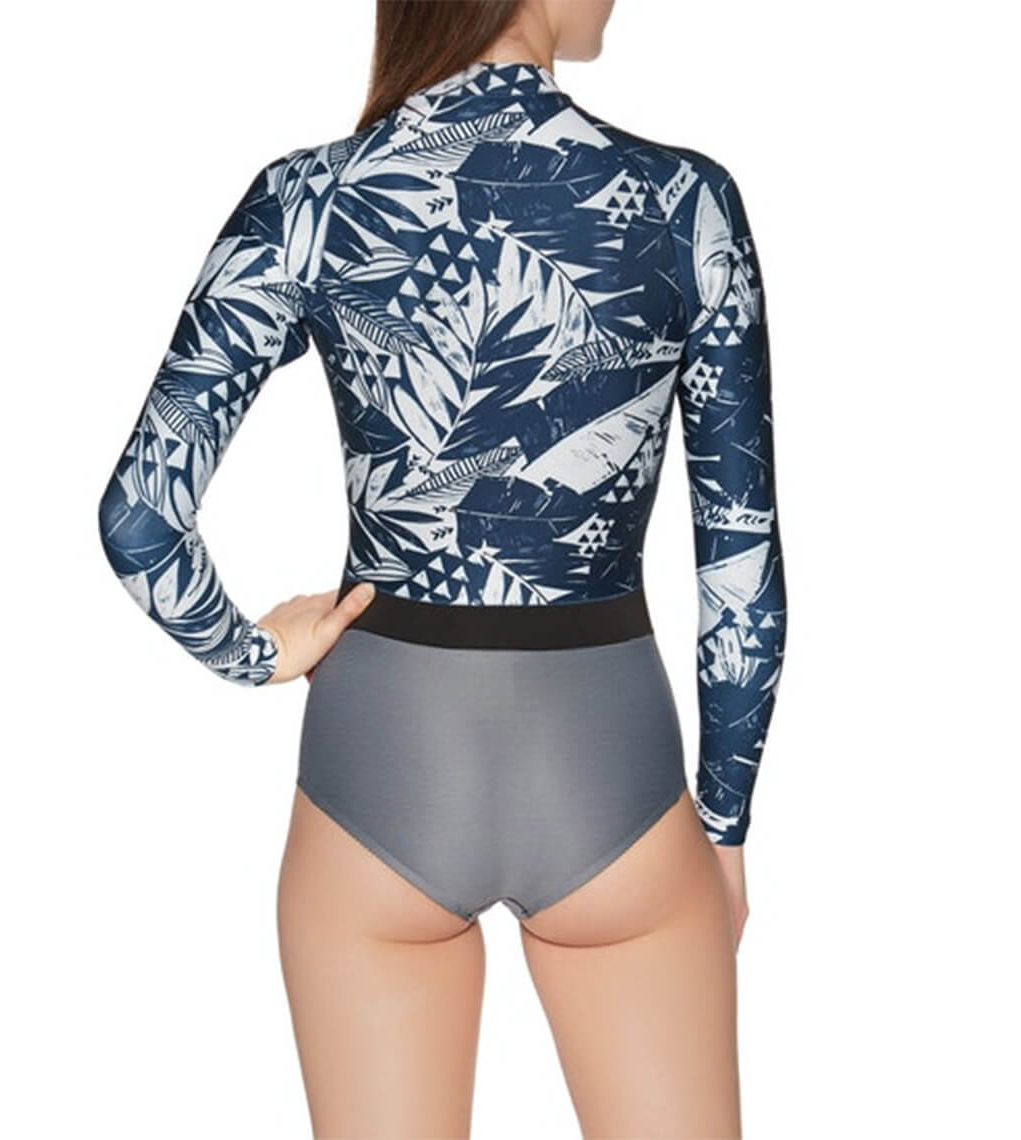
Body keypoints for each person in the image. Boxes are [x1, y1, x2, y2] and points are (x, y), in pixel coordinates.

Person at [96, 0, 787, 1134]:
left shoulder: (310, 197)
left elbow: (140, 515)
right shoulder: (685, 201)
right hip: (609, 764)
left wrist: (257, 652)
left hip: (380, 760)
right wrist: (723, 827)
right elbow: (740, 566)